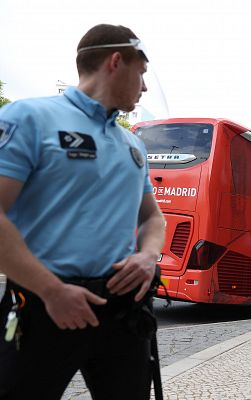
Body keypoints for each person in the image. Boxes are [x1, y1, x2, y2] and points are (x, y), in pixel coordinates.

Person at [0, 24, 165, 399]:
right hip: (46, 306)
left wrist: (147, 257)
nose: (144, 87)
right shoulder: (29, 118)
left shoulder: (132, 144)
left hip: (123, 310)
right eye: (141, 73)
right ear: (116, 61)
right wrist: (52, 291)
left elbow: (152, 218)